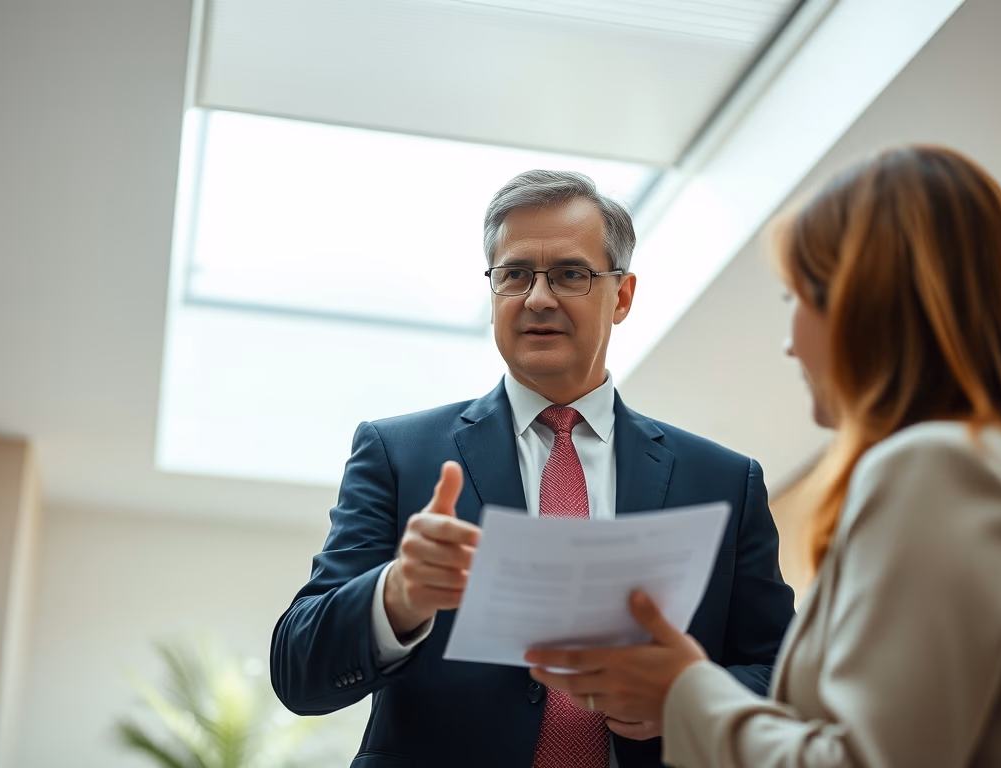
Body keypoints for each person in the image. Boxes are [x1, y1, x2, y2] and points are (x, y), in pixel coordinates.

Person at [526, 146, 1001, 768]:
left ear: (866, 307)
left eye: (795, 299)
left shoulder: (940, 470)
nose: (790, 343)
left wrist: (684, 691)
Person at [270, 170, 796, 768]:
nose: (538, 298)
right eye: (514, 274)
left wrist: (689, 701)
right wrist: (397, 594)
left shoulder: (724, 482)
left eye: (571, 274)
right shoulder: (398, 454)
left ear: (621, 296)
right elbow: (298, 670)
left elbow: (787, 675)